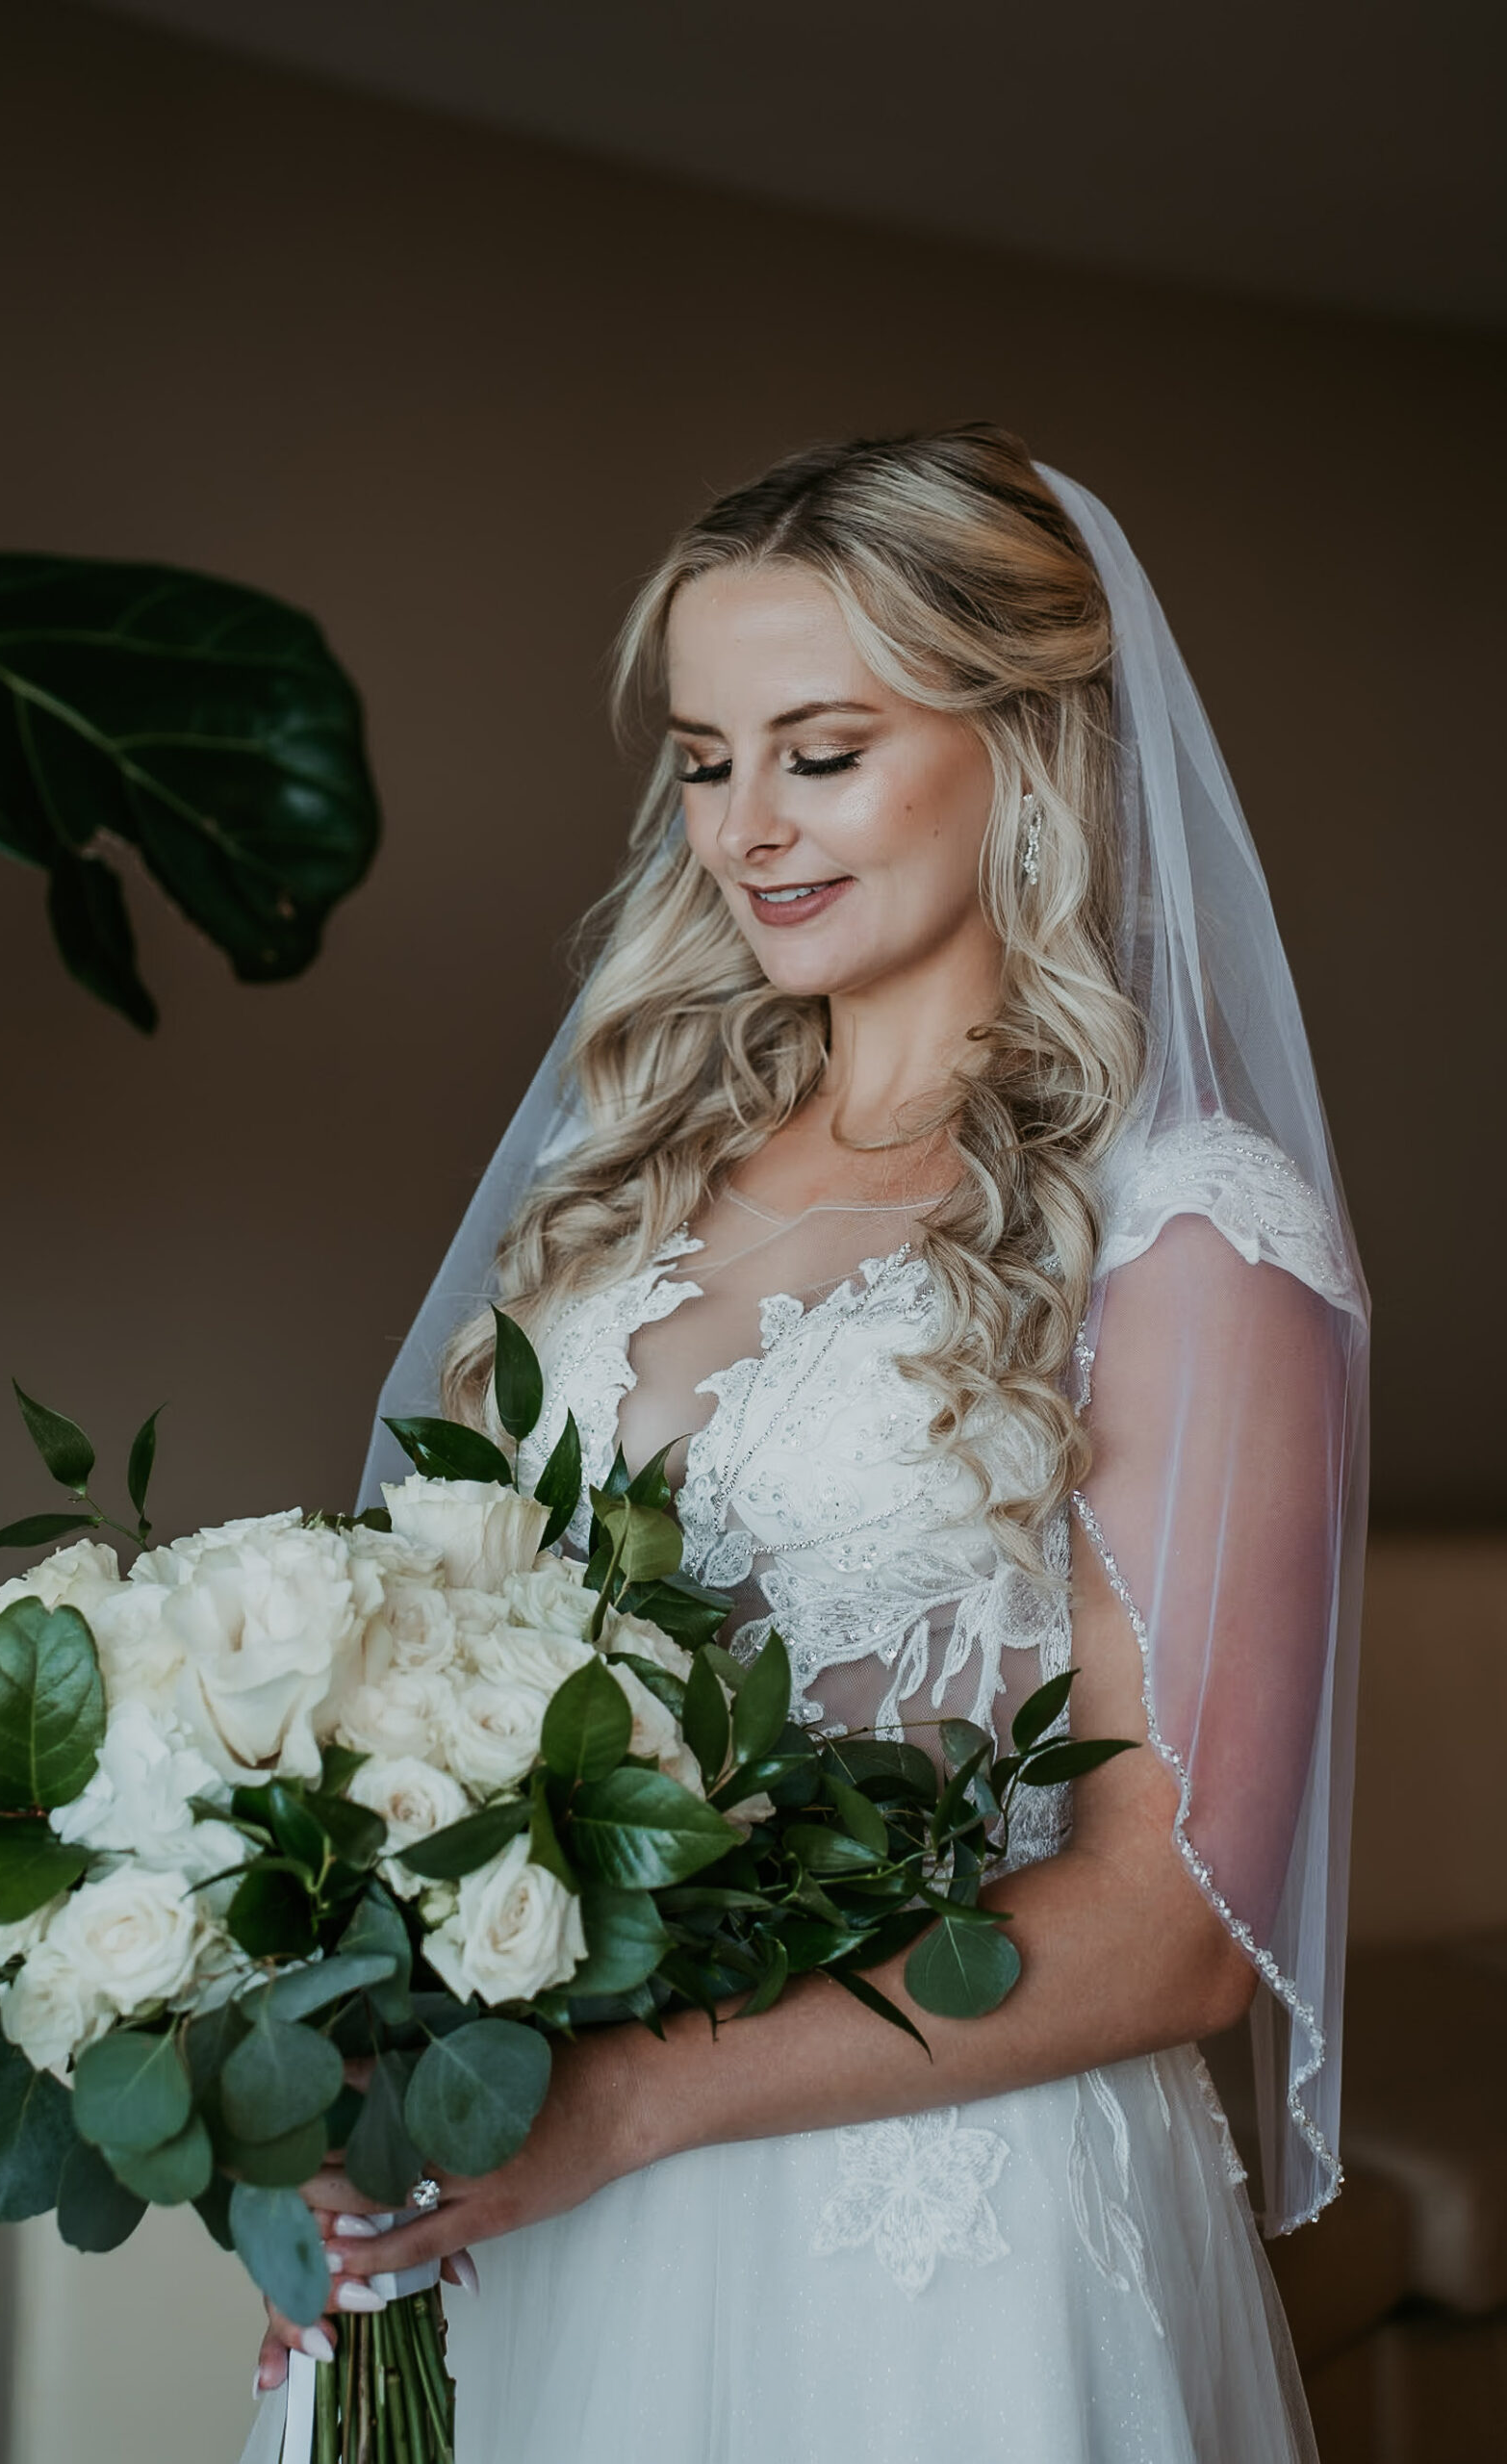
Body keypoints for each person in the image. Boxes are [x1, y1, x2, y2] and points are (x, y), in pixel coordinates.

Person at [258, 426, 1367, 2460]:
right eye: (702, 755)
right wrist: (331, 2071)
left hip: (922, 2254)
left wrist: (631, 2097)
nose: (741, 825)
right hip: (511, 2201)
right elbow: (399, 1666)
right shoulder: (616, 1180)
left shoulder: (1187, 1233)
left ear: (1024, 744)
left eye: (820, 749)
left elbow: (1173, 1922)